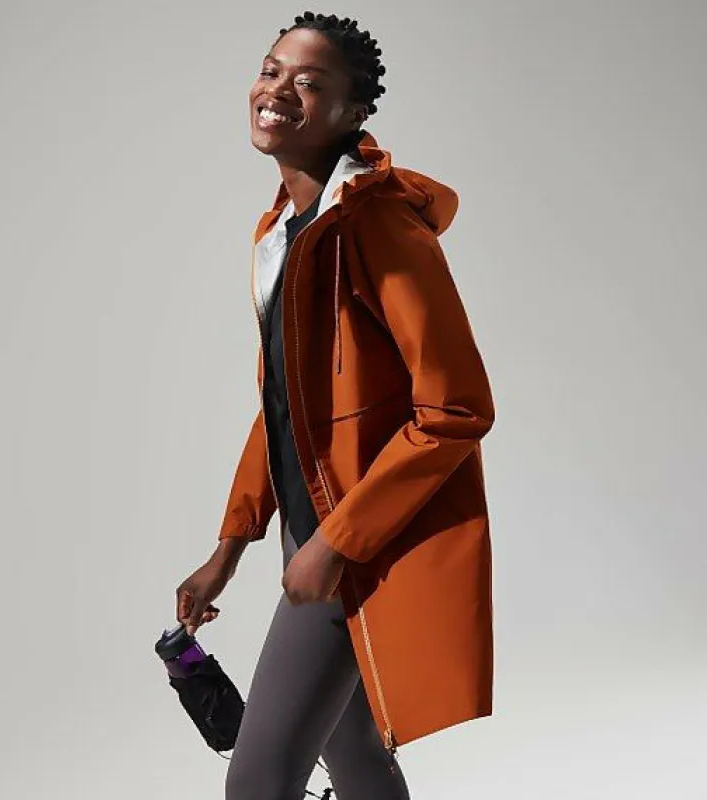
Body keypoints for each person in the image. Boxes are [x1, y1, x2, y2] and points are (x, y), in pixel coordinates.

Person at [175, 11, 496, 800]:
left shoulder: (377, 224)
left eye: (310, 83)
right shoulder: (285, 232)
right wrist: (230, 547)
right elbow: (284, 407)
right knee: (353, 754)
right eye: (272, 70)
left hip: (361, 540)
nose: (279, 91)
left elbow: (456, 407)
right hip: (311, 531)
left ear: (354, 113)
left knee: (258, 780)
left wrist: (337, 544)